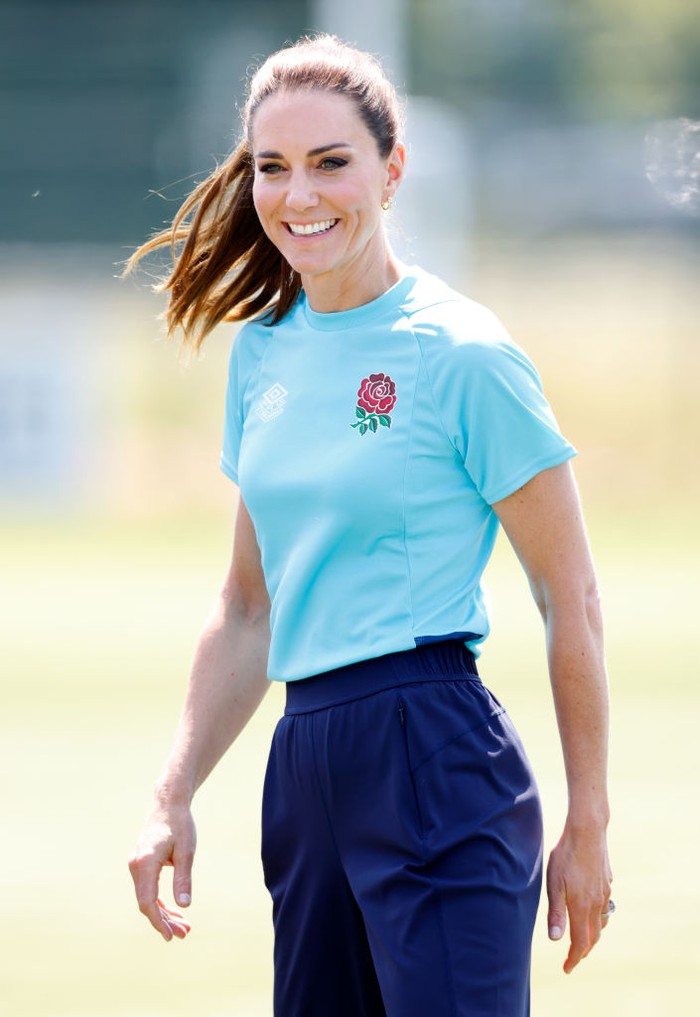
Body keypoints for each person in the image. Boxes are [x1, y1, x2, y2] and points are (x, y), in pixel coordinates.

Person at [127, 33, 613, 1017]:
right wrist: (172, 791)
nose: (298, 196)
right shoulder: (261, 358)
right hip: (303, 764)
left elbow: (570, 597)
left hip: (431, 750)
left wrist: (589, 822)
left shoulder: (465, 355)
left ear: (392, 171)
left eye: (329, 163)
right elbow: (248, 604)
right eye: (273, 168)